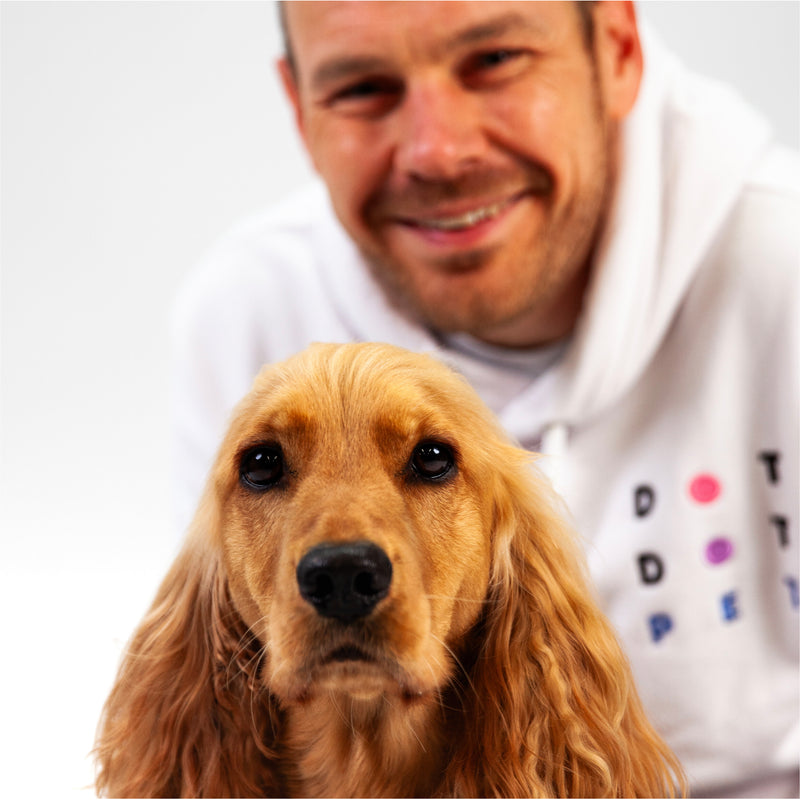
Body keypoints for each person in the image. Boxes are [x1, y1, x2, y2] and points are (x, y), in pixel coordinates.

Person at [170, 2, 799, 796]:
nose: (438, 150)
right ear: (299, 108)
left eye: (495, 59)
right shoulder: (244, 312)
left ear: (617, 49)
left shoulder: (787, 277)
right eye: (363, 87)